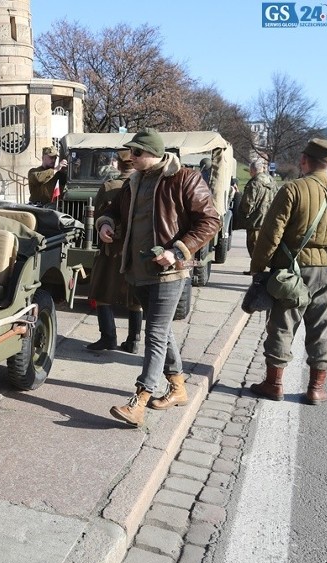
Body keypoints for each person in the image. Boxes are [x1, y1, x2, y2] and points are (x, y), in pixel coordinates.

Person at [98, 128, 220, 427]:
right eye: (130, 152)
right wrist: (105, 224)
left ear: (152, 152)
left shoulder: (184, 178)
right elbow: (111, 210)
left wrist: (178, 251)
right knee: (162, 332)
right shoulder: (133, 182)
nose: (131, 157)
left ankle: (139, 399)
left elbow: (211, 220)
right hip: (137, 271)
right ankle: (178, 388)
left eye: (136, 152)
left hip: (169, 272)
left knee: (154, 333)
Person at [248, 138, 327, 405]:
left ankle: (274, 384)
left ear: (304, 160)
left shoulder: (292, 190)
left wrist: (258, 267)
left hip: (292, 269)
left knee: (282, 325)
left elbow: (270, 234)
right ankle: (316, 389)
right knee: (322, 327)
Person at [86, 149, 143, 354]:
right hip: (136, 249)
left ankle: (108, 337)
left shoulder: (109, 186)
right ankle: (134, 340)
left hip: (111, 247)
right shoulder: (144, 186)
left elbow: (101, 215)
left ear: (118, 164)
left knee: (102, 292)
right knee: (134, 297)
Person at [238, 159, 278, 259]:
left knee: (253, 246)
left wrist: (243, 215)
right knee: (265, 246)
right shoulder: (272, 181)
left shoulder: (254, 183)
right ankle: (261, 267)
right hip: (269, 219)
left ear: (252, 170)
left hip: (255, 221)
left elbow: (248, 203)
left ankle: (256, 270)